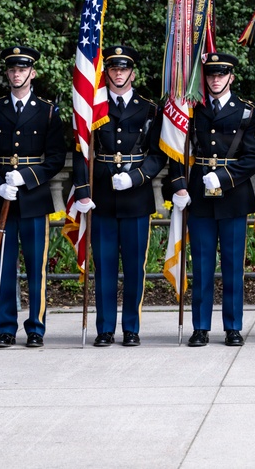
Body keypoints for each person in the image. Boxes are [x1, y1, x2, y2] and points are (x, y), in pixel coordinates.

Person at [70, 45, 167, 347]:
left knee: (135, 267)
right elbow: (80, 151)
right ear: (106, 73)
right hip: (101, 196)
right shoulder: (92, 106)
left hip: (136, 196)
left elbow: (159, 154)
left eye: (123, 68)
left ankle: (132, 328)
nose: (118, 73)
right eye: (113, 68)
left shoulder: (150, 108)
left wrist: (136, 176)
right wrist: (83, 193)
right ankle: (105, 328)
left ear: (132, 73)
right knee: (105, 267)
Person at [169, 52, 255, 348]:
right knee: (201, 265)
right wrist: (180, 186)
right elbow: (175, 149)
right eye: (210, 75)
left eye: (221, 74)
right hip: (199, 196)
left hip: (233, 196)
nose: (215, 79)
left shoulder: (248, 111)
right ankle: (201, 327)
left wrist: (223, 177)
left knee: (233, 266)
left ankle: (233, 326)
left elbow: (254, 157)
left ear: (231, 78)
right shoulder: (191, 110)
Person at [0, 45, 66, 348]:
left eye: (22, 69)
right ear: (8, 73)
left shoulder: (48, 111)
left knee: (35, 268)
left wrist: (26, 177)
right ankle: (5, 328)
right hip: (2, 197)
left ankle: (36, 328)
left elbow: (55, 158)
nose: (17, 74)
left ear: (33, 72)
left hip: (34, 198)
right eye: (13, 69)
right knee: (2, 267)